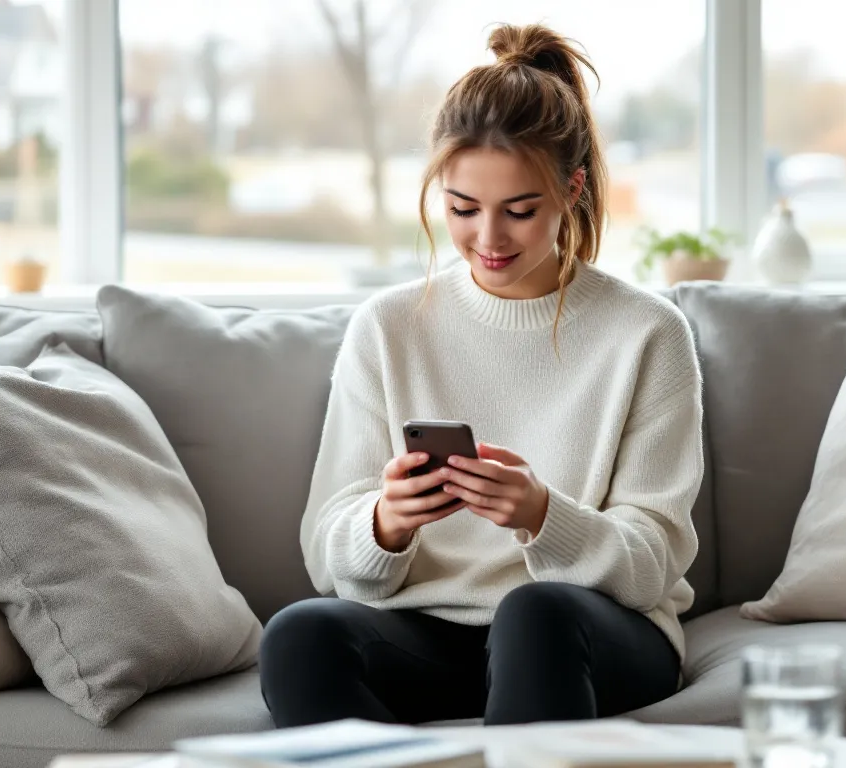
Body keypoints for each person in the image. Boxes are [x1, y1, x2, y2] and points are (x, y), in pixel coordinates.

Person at [258, 22, 705, 728]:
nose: (488, 240)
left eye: (520, 211)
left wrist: (541, 516)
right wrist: (386, 524)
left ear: (573, 188)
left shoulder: (647, 332)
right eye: (463, 209)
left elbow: (652, 561)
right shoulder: (388, 326)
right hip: (432, 636)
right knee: (300, 633)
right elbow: (327, 553)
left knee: (535, 613)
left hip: (588, 632)